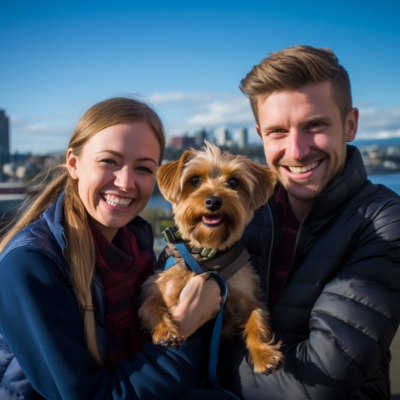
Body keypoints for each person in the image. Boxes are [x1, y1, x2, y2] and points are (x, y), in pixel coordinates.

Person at [0, 97, 221, 400]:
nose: (126, 182)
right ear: (74, 164)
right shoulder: (31, 265)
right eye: (109, 161)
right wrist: (182, 329)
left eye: (143, 168)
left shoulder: (137, 246)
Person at [218, 45, 400, 399]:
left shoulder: (385, 223)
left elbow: (317, 385)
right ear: (260, 135)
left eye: (314, 125)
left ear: (350, 124)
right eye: (278, 132)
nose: (297, 151)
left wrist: (203, 358)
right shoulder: (245, 208)